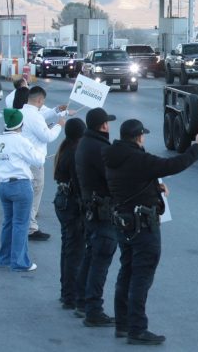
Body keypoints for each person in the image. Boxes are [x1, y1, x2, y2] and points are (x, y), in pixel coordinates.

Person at [103, 120, 198, 345]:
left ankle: (122, 323)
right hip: (143, 226)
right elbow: (174, 164)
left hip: (123, 223)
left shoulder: (112, 156)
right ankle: (137, 329)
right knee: (141, 277)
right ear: (139, 137)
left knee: (127, 272)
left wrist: (154, 187)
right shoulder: (139, 159)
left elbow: (130, 182)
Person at [74, 107, 118, 326]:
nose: (109, 126)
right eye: (107, 123)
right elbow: (112, 177)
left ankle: (82, 301)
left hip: (91, 208)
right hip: (102, 212)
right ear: (103, 125)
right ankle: (93, 309)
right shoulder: (99, 148)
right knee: (100, 260)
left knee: (91, 256)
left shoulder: (85, 143)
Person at [0, 108, 45, 272]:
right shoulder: (20, 140)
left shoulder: (1, 140)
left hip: (4, 186)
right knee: (21, 224)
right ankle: (20, 262)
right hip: (20, 186)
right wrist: (41, 152)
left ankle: (5, 258)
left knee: (8, 223)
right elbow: (38, 160)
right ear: (20, 124)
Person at [21, 86, 65, 241]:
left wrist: (55, 112)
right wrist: (59, 125)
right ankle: (31, 228)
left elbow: (41, 122)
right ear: (40, 100)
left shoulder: (23, 112)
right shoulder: (35, 116)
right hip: (34, 160)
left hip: (24, 158)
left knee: (28, 192)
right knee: (34, 192)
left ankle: (25, 224)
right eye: (42, 101)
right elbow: (47, 137)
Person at [53, 118, 87, 310]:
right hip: (71, 203)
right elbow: (79, 182)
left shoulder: (65, 148)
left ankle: (66, 291)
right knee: (75, 251)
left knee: (68, 248)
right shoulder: (75, 153)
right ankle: (70, 296)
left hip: (63, 201)